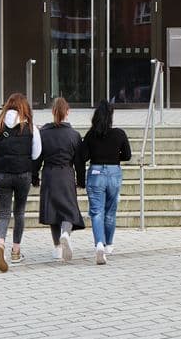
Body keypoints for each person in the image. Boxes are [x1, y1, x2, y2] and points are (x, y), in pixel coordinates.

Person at [0, 92, 39, 272]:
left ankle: (0, 244)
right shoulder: (31, 127)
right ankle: (16, 251)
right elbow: (37, 152)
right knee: (20, 212)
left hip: (2, 174)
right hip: (23, 173)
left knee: (4, 214)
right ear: (24, 107)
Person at [76, 98, 131, 264]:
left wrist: (80, 180)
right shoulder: (119, 134)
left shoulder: (91, 135)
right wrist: (114, 157)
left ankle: (99, 243)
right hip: (114, 173)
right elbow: (127, 155)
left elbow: (81, 157)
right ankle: (109, 244)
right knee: (110, 210)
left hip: (96, 173)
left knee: (97, 211)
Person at [36, 96, 85, 262]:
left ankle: (57, 248)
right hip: (66, 174)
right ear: (67, 112)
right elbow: (79, 161)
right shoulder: (74, 135)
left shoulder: (43, 133)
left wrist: (34, 176)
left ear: (52, 112)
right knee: (69, 210)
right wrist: (81, 181)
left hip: (49, 174)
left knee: (52, 212)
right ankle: (66, 233)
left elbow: (37, 158)